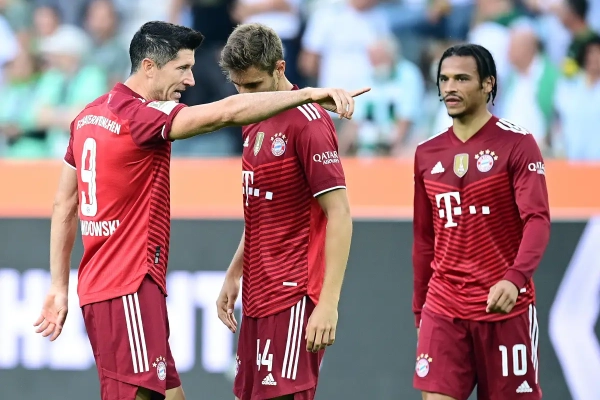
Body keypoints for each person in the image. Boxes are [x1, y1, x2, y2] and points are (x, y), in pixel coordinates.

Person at [32, 21, 367, 400]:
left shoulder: (88, 116)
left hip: (118, 285)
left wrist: (59, 285)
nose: (190, 81)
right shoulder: (143, 118)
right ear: (149, 67)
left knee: (170, 394)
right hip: (128, 285)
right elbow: (225, 113)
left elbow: (64, 203)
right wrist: (308, 94)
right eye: (182, 69)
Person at [216, 23, 353, 400]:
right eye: (238, 87)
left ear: (280, 68)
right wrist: (234, 273)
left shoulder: (309, 124)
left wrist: (328, 304)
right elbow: (262, 209)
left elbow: (339, 214)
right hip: (257, 293)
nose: (245, 96)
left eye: (253, 86)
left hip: (294, 294)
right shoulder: (251, 118)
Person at [412, 43, 550, 400]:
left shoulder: (518, 144)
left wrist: (516, 279)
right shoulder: (426, 153)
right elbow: (424, 239)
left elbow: (537, 219)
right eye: (444, 79)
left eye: (462, 78)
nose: (450, 87)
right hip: (443, 307)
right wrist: (420, 310)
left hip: (503, 306)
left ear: (488, 84)